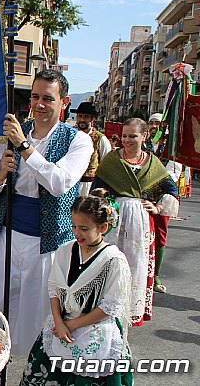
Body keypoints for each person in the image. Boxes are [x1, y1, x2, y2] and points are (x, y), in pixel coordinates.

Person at [0, 69, 94, 356]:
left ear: (64, 102)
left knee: (40, 315)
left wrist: (24, 147)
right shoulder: (11, 133)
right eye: (35, 97)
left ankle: (36, 371)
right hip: (7, 235)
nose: (39, 104)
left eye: (48, 98)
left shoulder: (78, 140)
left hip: (48, 242)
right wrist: (1, 174)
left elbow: (60, 183)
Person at [20, 194, 133, 386]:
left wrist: (71, 325)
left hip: (93, 326)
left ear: (103, 228)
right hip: (61, 324)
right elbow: (54, 289)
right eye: (73, 227)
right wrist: (59, 322)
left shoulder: (114, 260)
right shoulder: (65, 250)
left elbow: (109, 307)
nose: (77, 233)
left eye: (84, 228)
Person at [93, 118, 178, 326]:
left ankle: (130, 313)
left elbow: (171, 190)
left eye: (133, 136)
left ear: (144, 136)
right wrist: (105, 201)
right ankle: (106, 313)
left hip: (141, 224)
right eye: (124, 136)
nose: (127, 140)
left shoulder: (152, 163)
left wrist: (157, 207)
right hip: (115, 221)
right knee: (112, 265)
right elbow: (97, 189)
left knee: (136, 266)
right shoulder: (112, 160)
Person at [144, 112, 180, 294]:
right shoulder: (144, 142)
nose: (154, 126)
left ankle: (155, 274)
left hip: (161, 195)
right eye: (151, 123)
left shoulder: (169, 145)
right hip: (142, 195)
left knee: (159, 235)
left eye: (157, 123)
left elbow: (175, 169)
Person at [71, 102, 111, 196]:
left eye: (86, 117)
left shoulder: (100, 139)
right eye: (80, 116)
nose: (82, 120)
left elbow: (106, 164)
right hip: (71, 183)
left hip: (89, 185)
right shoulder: (71, 136)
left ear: (92, 119)